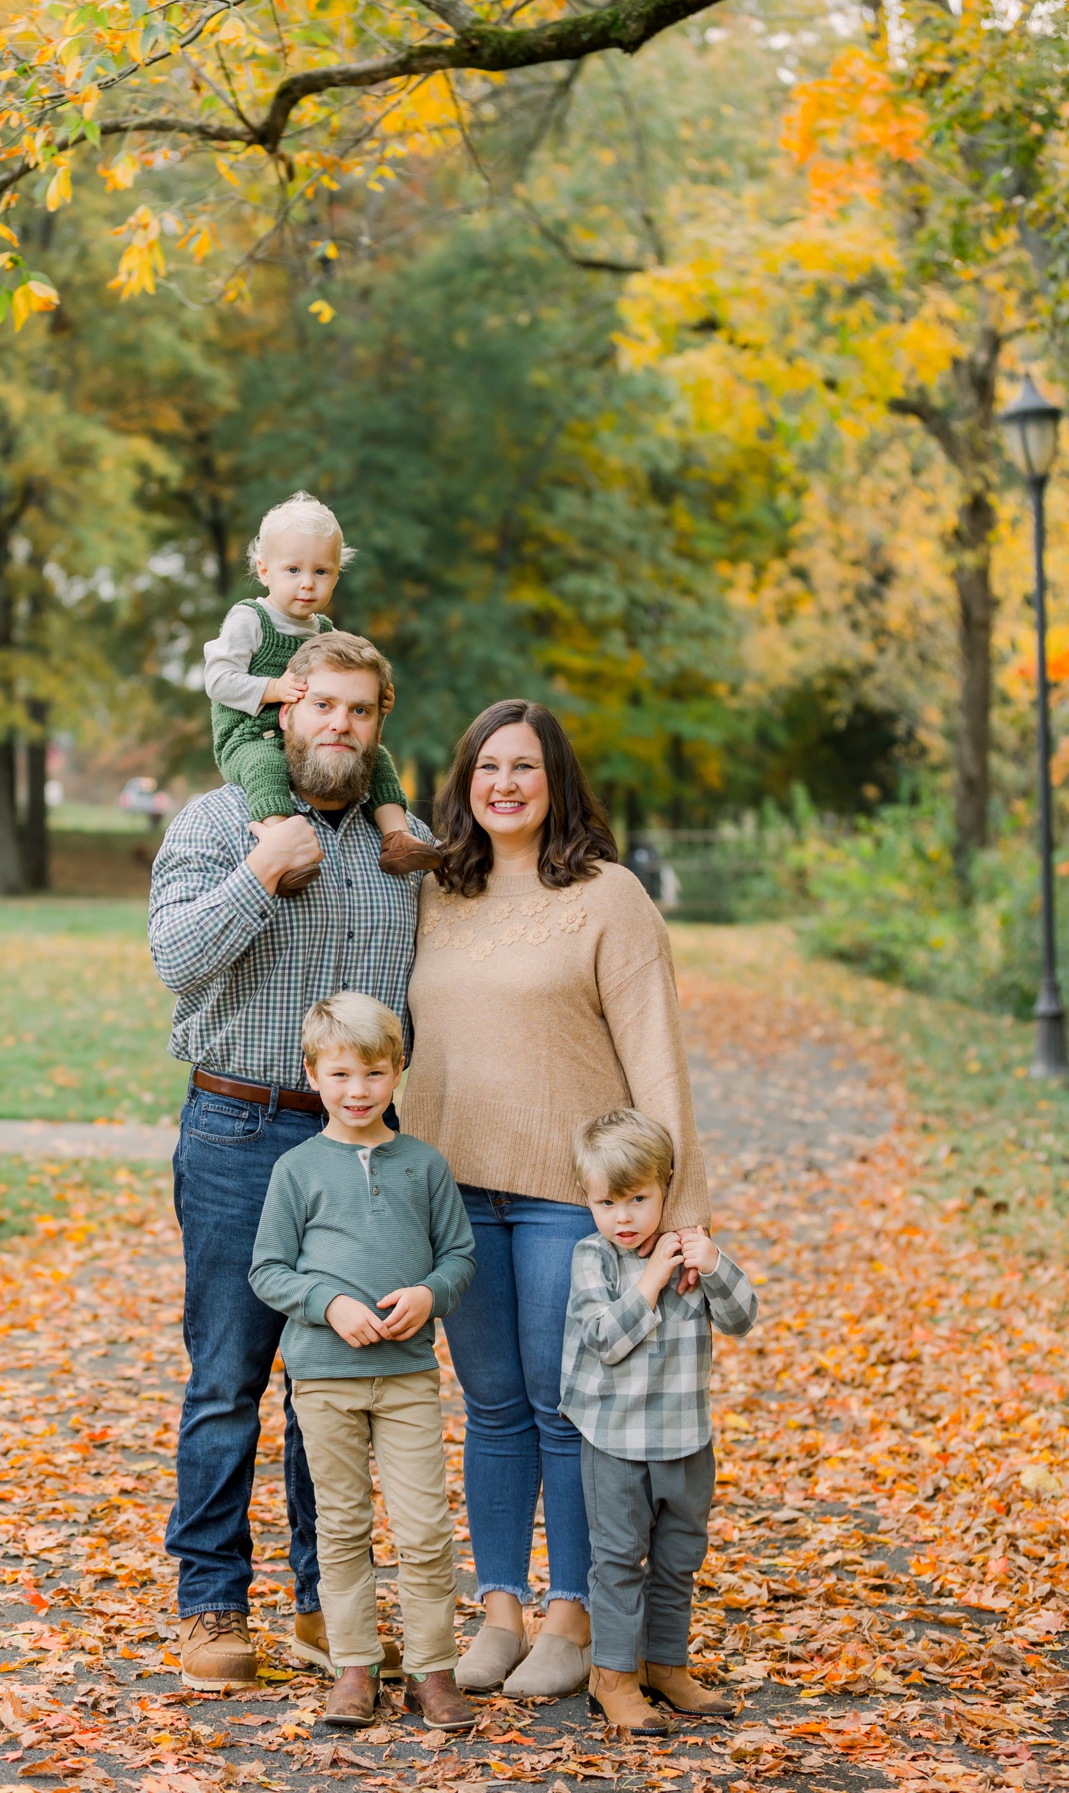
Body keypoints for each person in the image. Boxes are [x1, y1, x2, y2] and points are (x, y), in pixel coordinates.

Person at [401, 699, 711, 1699]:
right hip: (452, 1193)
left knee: (566, 1407)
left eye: (524, 767)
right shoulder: (434, 893)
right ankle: (501, 1612)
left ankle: (575, 1617)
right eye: (487, 766)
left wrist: (685, 1208)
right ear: (464, 781)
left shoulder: (610, 898)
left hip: (564, 1200)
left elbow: (656, 1057)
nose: (503, 784)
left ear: (556, 780)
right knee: (490, 1408)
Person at [148, 630, 437, 1691]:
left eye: (359, 712)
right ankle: (212, 1605)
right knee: (229, 1378)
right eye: (320, 705)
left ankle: (330, 1611)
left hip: (358, 1148)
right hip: (235, 1130)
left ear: (378, 725)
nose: (338, 726)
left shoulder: (397, 846)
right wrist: (259, 879)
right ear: (284, 710)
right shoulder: (218, 823)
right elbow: (174, 962)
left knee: (337, 1384)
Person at [249, 992, 477, 1732]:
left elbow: (460, 1257)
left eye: (374, 1074)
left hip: (408, 1376)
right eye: (341, 1074)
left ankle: (432, 1670)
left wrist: (429, 1293)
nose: (357, 1091)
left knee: (423, 1529)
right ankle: (354, 1666)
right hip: (323, 1377)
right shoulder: (296, 1169)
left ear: (397, 1072)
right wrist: (328, 1304)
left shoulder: (423, 1165)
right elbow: (269, 1270)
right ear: (313, 1074)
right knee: (342, 1527)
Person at [561, 1108, 757, 1732]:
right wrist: (649, 1280)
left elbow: (742, 1318)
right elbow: (604, 1339)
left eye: (638, 1199)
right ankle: (613, 1676)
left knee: (679, 1557)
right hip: (616, 1440)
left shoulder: (692, 1255)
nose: (622, 1217)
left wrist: (716, 1262)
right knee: (618, 1559)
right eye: (606, 1202)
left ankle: (664, 1665)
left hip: (684, 1436)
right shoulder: (593, 1257)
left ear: (666, 1186)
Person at [202, 490, 440, 889]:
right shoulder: (250, 618)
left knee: (376, 756)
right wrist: (273, 687)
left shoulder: (326, 632)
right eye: (293, 570)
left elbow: (350, 684)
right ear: (264, 571)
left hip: (309, 739)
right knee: (267, 767)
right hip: (248, 735)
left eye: (321, 572)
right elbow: (218, 679)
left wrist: (379, 697)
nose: (307, 584)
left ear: (336, 574)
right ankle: (283, 848)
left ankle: (396, 837)